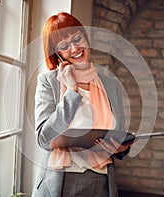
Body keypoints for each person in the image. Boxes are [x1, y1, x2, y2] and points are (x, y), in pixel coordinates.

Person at [32, 12, 134, 197]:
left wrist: (121, 147)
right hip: (62, 181)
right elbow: (44, 139)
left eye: (77, 38)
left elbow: (116, 132)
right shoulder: (49, 81)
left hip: (101, 181)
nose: (75, 48)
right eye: (64, 46)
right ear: (58, 54)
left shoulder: (111, 84)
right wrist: (71, 91)